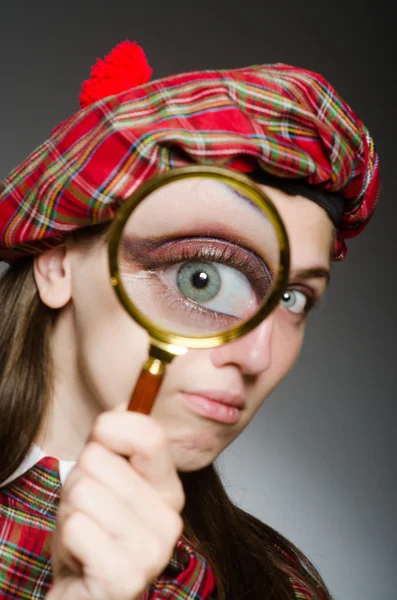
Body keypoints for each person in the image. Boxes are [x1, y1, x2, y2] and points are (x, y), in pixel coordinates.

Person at [0, 40, 379, 600]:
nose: (259, 356)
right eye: (201, 277)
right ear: (58, 264)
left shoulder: (275, 589)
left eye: (294, 298)